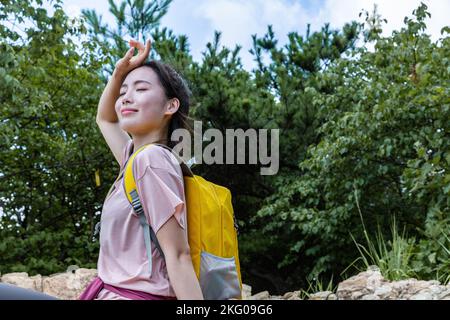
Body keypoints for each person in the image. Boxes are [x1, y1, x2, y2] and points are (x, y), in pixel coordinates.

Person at [80, 37, 204, 300]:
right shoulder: (132, 161)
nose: (126, 98)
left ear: (170, 105)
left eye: (140, 89)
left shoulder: (151, 162)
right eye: (123, 92)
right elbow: (104, 118)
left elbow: (179, 256)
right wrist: (119, 73)